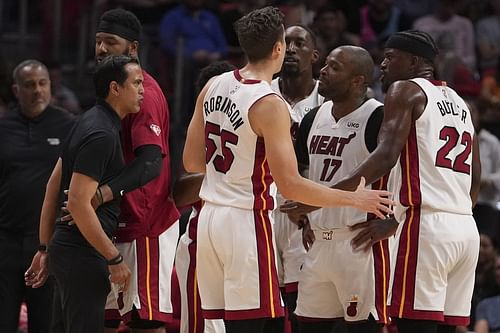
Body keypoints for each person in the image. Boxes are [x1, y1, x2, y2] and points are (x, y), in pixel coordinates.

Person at [182, 6, 393, 333]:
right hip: (245, 220)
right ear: (278, 48)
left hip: (209, 219)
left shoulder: (214, 85)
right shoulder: (269, 103)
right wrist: (354, 200)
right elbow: (292, 185)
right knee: (251, 325)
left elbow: (192, 163)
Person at [283, 29, 481, 333]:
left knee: (411, 326)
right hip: (465, 228)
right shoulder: (460, 103)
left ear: (414, 61)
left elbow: (385, 157)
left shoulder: (404, 90)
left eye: (390, 57)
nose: (383, 66)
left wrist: (321, 199)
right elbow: (474, 178)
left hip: (425, 226)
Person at [25, 54, 141, 333]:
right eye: (137, 83)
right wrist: (113, 257)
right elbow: (77, 202)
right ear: (115, 88)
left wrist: (44, 246)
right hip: (82, 252)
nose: (142, 90)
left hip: (67, 249)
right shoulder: (102, 133)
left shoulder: (87, 119)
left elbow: (54, 186)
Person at [93, 9, 181, 332]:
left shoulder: (145, 94)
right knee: (107, 321)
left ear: (132, 49)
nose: (101, 49)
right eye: (98, 41)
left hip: (147, 226)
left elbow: (149, 163)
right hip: (115, 224)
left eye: (110, 42)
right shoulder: (110, 91)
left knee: (147, 324)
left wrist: (100, 194)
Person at [292, 45, 387, 333]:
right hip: (318, 242)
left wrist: (394, 221)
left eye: (334, 67)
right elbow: (301, 173)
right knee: (306, 326)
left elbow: (398, 175)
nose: (322, 71)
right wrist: (303, 218)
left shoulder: (378, 117)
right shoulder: (312, 118)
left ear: (358, 80)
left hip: (359, 243)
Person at [0, 59, 75, 333]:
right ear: (16, 90)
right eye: (29, 85)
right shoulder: (3, 127)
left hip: (48, 242)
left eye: (42, 83)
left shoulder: (68, 125)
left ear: (50, 85)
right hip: (5, 241)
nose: (37, 90)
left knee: (46, 322)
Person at [270, 24, 323, 333]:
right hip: (262, 206)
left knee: (302, 310)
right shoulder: (261, 91)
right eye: (285, 43)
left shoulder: (328, 100)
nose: (290, 49)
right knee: (264, 311)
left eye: (299, 44)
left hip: (303, 212)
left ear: (314, 55)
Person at [174, 61, 235, 333]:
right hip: (203, 238)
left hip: (248, 239)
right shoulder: (195, 135)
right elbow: (177, 194)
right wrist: (222, 176)